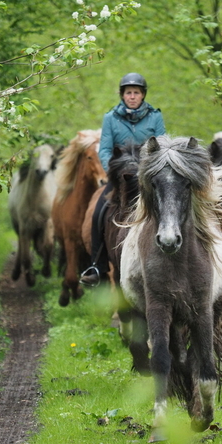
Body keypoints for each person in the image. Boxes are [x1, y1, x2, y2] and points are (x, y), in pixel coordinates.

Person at [80, 72, 166, 286]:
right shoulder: (110, 118)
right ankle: (97, 266)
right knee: (99, 211)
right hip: (120, 176)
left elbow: (161, 147)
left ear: (143, 95)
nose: (132, 96)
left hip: (147, 177)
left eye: (136, 92)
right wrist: (114, 171)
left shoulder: (155, 117)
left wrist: (151, 171)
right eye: (129, 92)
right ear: (122, 95)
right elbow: (106, 149)